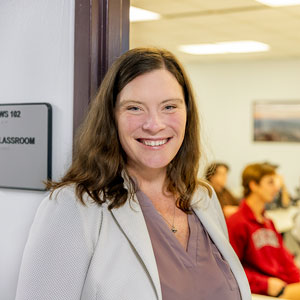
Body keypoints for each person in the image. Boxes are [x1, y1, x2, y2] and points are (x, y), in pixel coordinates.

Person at [15, 48, 251, 300]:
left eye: (169, 106)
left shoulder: (203, 197)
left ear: (187, 114)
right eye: (135, 108)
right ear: (111, 116)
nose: (154, 125)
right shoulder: (74, 206)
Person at [227, 163, 300, 299]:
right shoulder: (237, 223)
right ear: (254, 185)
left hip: (282, 284)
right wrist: (265, 284)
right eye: (270, 182)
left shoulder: (268, 221)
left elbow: (284, 259)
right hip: (264, 291)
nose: (276, 188)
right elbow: (229, 269)